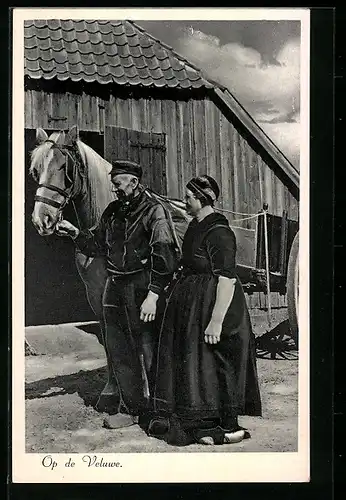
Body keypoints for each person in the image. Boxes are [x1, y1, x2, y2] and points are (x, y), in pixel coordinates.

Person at [55, 160, 179, 429]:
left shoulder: (154, 212)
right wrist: (76, 233)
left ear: (134, 183)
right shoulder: (112, 212)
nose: (115, 190)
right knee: (120, 349)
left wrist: (155, 293)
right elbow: (97, 244)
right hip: (115, 286)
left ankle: (160, 412)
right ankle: (131, 409)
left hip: (142, 286)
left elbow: (165, 253)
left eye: (119, 184)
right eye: (113, 185)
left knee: (150, 348)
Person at [141, 175, 262, 446]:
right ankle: (201, 421)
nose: (185, 201)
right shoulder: (196, 226)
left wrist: (216, 320)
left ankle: (227, 427)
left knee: (216, 360)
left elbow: (227, 279)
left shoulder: (219, 232)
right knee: (196, 363)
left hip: (216, 303)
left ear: (202, 199)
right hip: (195, 303)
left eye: (188, 197)